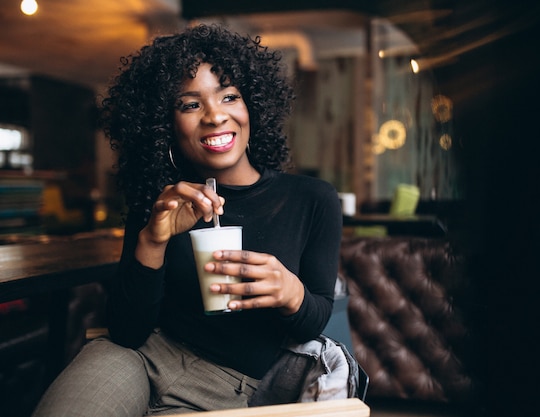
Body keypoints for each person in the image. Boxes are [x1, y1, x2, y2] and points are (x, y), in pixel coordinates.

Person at [32, 23, 342, 416]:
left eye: (229, 96)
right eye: (190, 104)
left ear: (253, 107)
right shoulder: (161, 200)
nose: (214, 116)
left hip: (223, 384)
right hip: (134, 359)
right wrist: (153, 240)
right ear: (165, 125)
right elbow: (128, 331)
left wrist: (291, 292)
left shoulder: (312, 199)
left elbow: (312, 321)